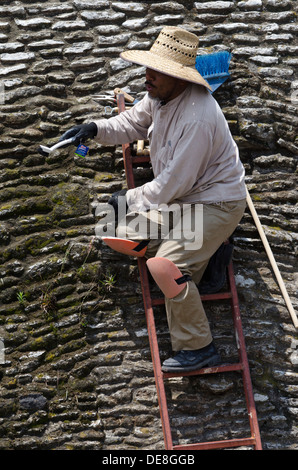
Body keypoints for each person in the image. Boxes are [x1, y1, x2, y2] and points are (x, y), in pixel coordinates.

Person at [59, 26, 247, 373]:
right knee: (108, 226)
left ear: (178, 77)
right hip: (183, 199)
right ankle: (210, 254)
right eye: (148, 69)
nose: (148, 77)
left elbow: (169, 186)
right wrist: (94, 128)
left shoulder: (198, 119)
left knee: (164, 265)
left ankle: (198, 347)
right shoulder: (160, 95)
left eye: (156, 72)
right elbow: (132, 121)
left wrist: (126, 198)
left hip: (216, 203)